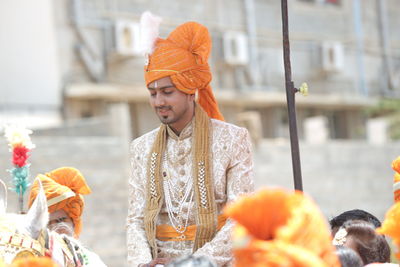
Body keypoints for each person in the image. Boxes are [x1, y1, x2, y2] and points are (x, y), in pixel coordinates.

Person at [127, 12, 254, 267]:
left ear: (190, 90)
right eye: (152, 93)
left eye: (167, 91)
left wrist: (194, 263)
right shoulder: (141, 147)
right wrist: (143, 263)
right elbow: (135, 220)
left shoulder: (233, 139)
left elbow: (240, 217)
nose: (158, 102)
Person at [28, 167, 107, 267]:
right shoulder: (33, 259)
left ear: (73, 222)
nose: (57, 225)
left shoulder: (90, 259)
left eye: (62, 219)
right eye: (49, 223)